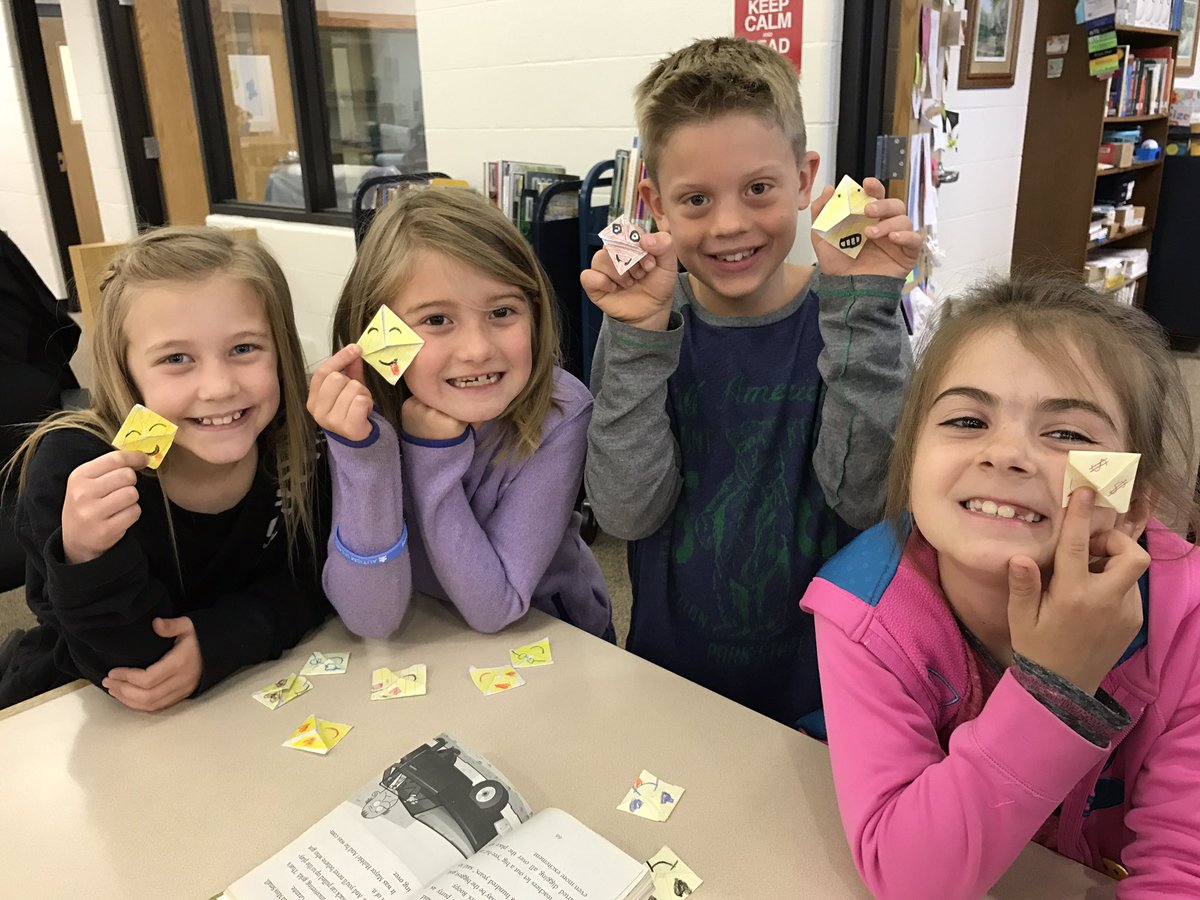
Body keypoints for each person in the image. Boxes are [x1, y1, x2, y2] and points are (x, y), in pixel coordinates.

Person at [801, 276, 1200, 898]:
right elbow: (909, 878)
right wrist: (1053, 689)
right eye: (966, 419)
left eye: (1068, 434)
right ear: (910, 468)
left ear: (1135, 503)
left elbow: (1183, 869)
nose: (1007, 454)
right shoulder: (865, 614)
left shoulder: (1186, 620)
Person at [583, 37, 919, 724]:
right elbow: (623, 512)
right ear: (654, 203)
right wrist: (639, 342)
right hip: (668, 678)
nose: (730, 224)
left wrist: (862, 313)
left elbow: (866, 499)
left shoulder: (857, 314)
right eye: (696, 199)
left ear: (804, 180)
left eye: (759, 188)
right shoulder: (642, 319)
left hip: (827, 691)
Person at [0, 227, 330, 712]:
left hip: (244, 695)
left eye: (244, 349)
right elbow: (130, 667)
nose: (218, 387)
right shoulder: (75, 466)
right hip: (71, 705)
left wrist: (225, 638)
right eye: (177, 359)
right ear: (125, 370)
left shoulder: (295, 440)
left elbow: (316, 577)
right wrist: (89, 555)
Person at [309, 186, 611, 638]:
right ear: (379, 332)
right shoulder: (364, 410)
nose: (476, 350)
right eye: (436, 320)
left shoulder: (560, 410)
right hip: (430, 635)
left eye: (502, 311)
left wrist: (432, 454)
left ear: (534, 313)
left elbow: (499, 606)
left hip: (551, 636)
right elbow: (371, 620)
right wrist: (364, 455)